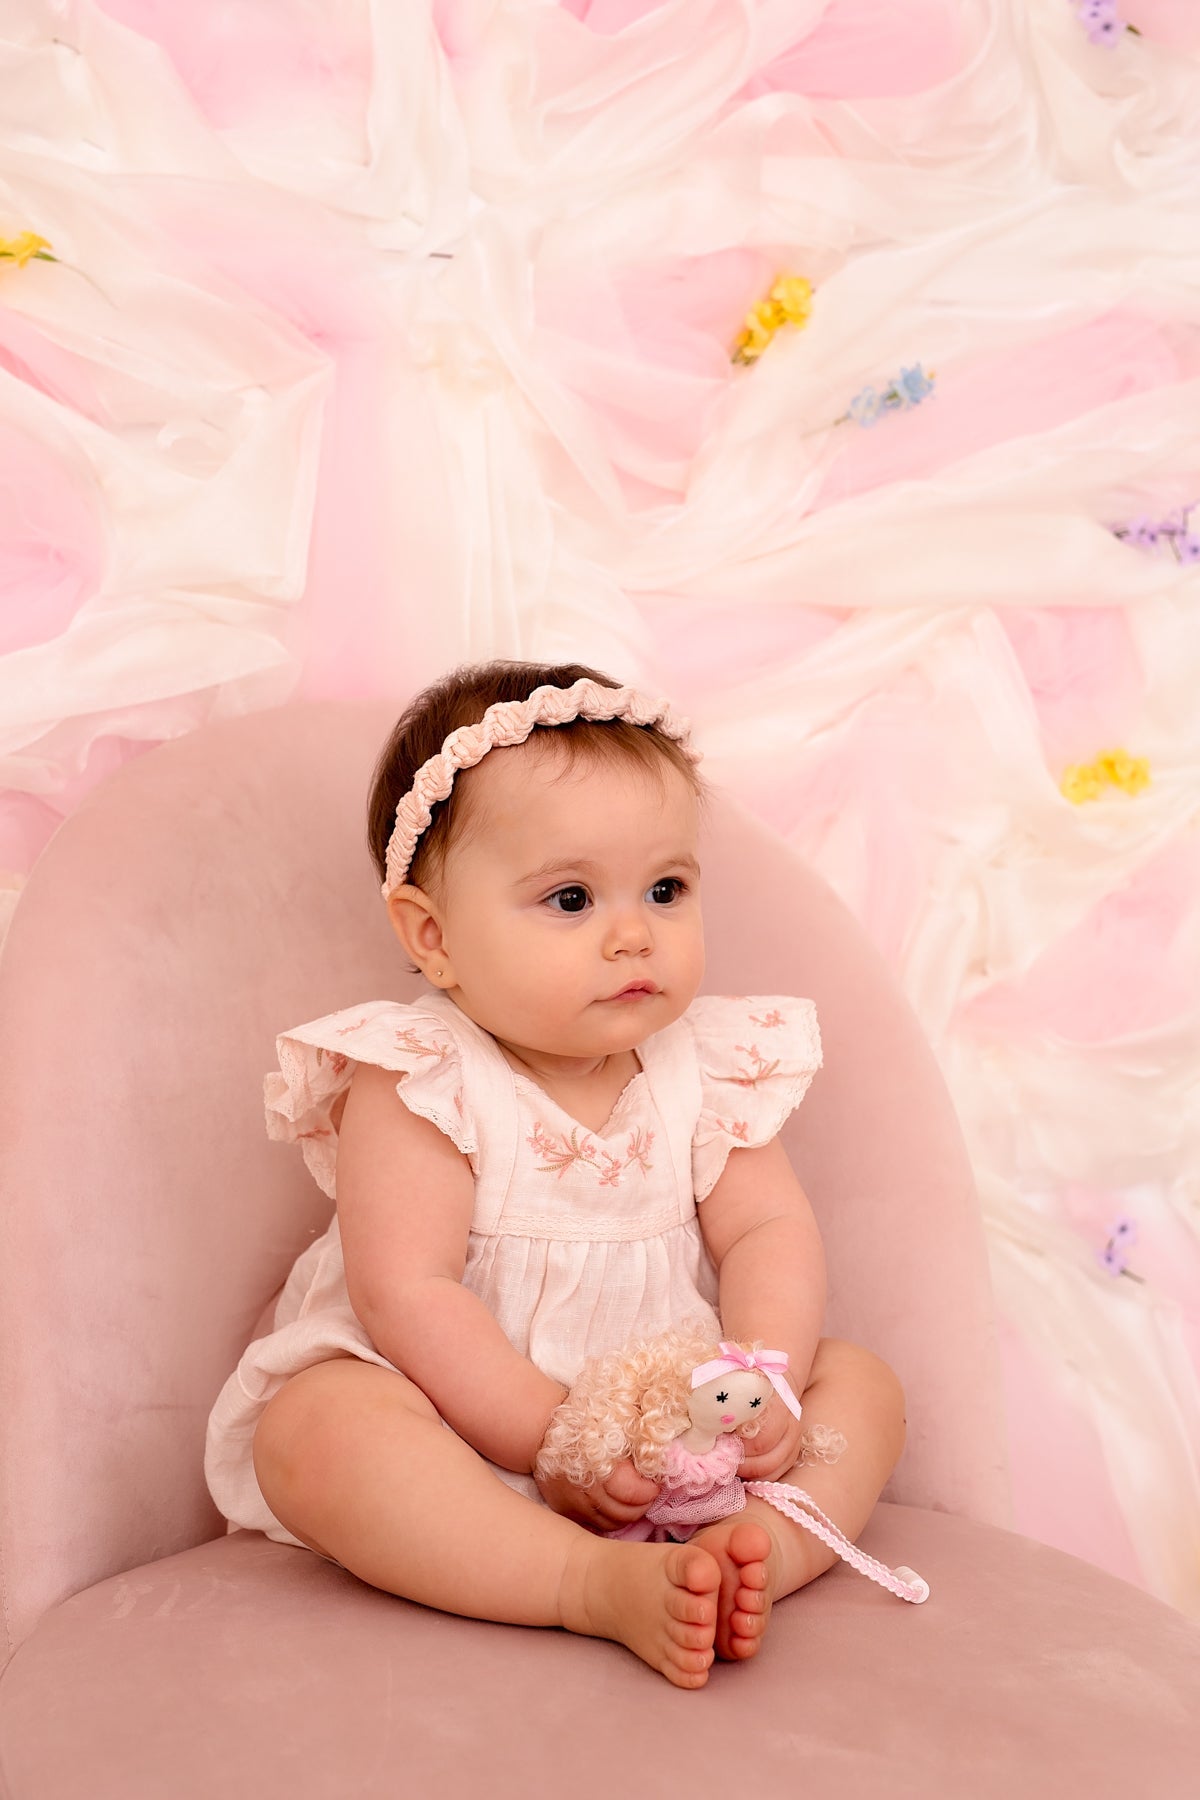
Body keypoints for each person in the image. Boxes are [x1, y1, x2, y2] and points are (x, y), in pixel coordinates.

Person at [205, 659, 907, 1689]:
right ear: (433, 936)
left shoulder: (706, 1067)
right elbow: (408, 1293)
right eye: (571, 898)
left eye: (666, 890)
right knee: (314, 1429)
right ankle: (581, 1581)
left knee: (865, 1385)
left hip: (682, 1426)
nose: (634, 934)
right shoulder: (422, 1078)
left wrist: (763, 1382)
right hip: (469, 1438)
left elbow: (768, 1231)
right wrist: (557, 1440)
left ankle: (760, 1547)